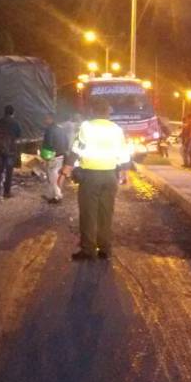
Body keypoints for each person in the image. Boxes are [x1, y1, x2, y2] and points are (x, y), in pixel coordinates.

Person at [62, 99, 129, 261]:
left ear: (93, 112)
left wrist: (67, 167)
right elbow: (123, 152)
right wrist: (124, 173)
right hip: (110, 176)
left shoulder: (87, 127)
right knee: (106, 213)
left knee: (88, 213)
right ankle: (104, 249)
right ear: (108, 113)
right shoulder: (116, 129)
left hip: (91, 176)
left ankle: (88, 250)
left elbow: (77, 148)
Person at [0, 105, 22, 198]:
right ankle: (6, 192)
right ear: (13, 113)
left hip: (0, 150)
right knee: (9, 172)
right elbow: (19, 134)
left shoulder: (0, 121)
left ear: (4, 112)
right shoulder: (15, 122)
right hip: (10, 150)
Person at [41, 113, 70, 204]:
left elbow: (49, 143)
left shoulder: (49, 130)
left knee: (52, 177)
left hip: (52, 156)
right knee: (53, 175)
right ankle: (50, 195)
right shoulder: (61, 129)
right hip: (61, 155)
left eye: (46, 119)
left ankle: (58, 196)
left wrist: (46, 156)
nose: (45, 121)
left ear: (51, 119)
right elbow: (67, 142)